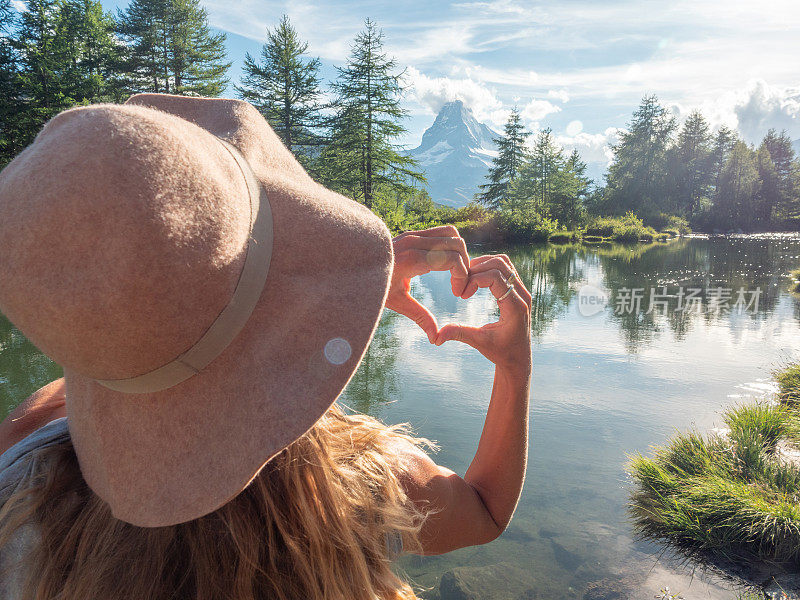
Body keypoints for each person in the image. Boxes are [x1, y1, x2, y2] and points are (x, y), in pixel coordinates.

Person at [0, 94, 531, 600]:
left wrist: (322, 293)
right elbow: (485, 509)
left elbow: (150, 339)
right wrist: (512, 365)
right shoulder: (347, 489)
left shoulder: (18, 487)